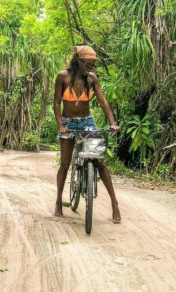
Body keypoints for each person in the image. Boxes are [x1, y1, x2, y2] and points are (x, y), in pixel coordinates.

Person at [53, 45, 121, 223]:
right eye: (88, 64)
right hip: (68, 123)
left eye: (93, 65)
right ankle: (59, 202)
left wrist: (112, 123)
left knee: (99, 163)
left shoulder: (92, 79)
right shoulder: (63, 77)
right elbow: (56, 103)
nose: (90, 68)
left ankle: (115, 204)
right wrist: (60, 125)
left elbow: (103, 102)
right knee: (65, 164)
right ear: (78, 61)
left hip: (87, 122)